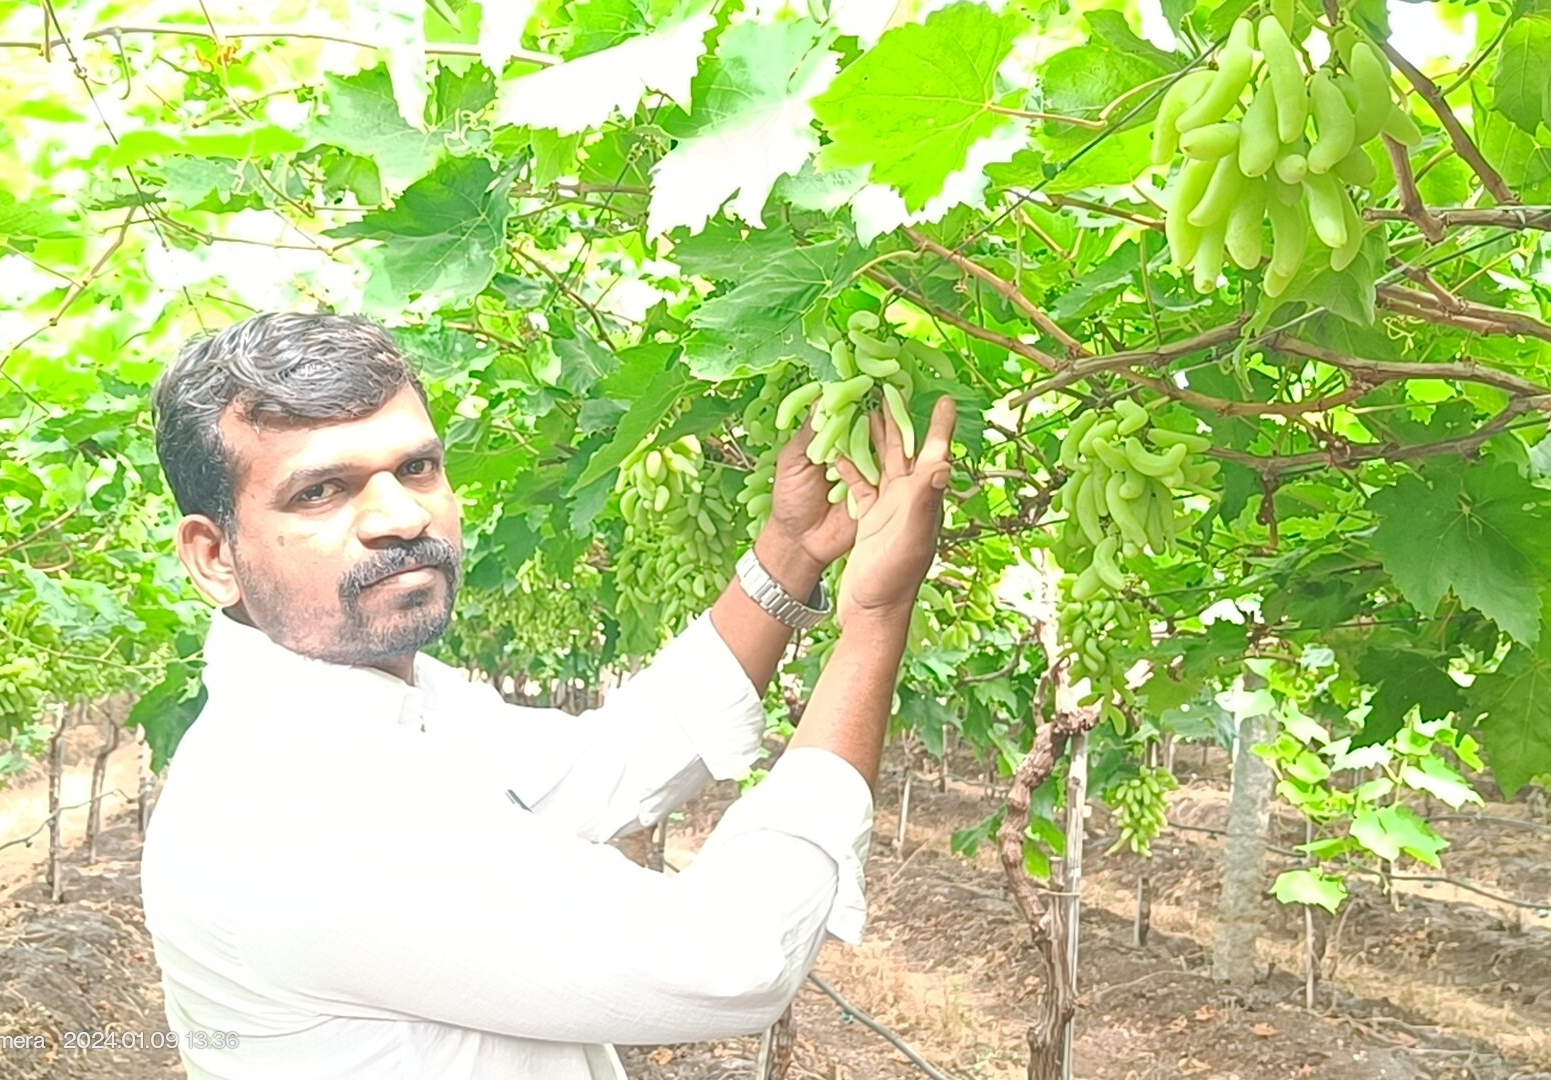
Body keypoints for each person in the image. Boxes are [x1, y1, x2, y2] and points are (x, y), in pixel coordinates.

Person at [140, 311, 958, 1079]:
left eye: (416, 467)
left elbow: (609, 761)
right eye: (321, 491)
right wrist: (876, 618)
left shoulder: (382, 705)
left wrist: (790, 552)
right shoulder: (302, 811)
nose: (398, 515)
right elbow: (731, 957)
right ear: (214, 555)